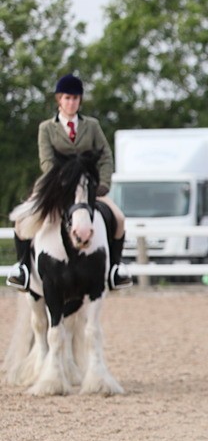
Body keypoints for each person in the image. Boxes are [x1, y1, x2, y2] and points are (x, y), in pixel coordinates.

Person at [7, 74, 132, 291]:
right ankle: (23, 268)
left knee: (119, 219)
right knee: (21, 220)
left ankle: (114, 270)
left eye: (75, 98)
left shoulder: (91, 125)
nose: (71, 103)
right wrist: (63, 181)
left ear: (80, 101)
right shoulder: (46, 128)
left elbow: (105, 156)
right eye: (67, 98)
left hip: (87, 186)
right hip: (55, 184)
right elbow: (46, 160)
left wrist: (103, 183)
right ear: (59, 100)